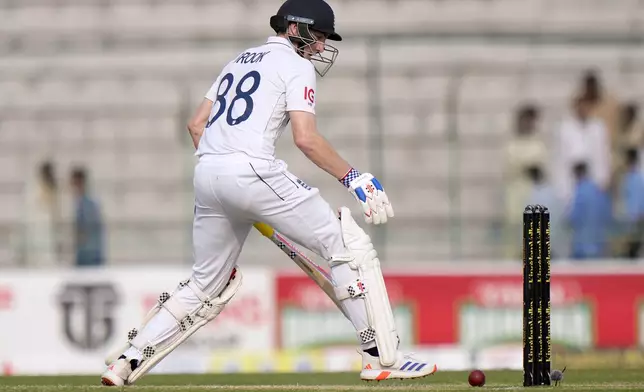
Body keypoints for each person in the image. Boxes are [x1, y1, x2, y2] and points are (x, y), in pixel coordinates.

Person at [101, 0, 436, 386]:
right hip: (251, 171)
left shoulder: (239, 59)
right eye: (320, 35)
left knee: (205, 286)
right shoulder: (296, 65)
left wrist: (230, 186)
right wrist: (354, 178)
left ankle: (126, 361)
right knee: (347, 245)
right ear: (296, 29)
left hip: (208, 173)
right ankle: (381, 357)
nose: (322, 46)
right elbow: (305, 140)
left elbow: (196, 125)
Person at [70, 167, 104, 267]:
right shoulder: (77, 203)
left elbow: (90, 231)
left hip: (90, 256)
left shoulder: (90, 204)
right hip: (82, 255)